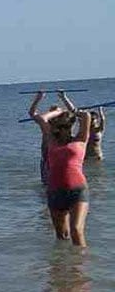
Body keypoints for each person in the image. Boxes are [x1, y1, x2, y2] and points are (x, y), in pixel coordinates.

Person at [32, 105, 92, 246]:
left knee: (76, 231)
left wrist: (75, 112)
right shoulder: (52, 141)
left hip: (77, 190)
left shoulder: (80, 139)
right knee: (61, 236)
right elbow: (41, 118)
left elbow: (86, 116)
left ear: (70, 125)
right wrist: (56, 112)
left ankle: (79, 267)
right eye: (60, 126)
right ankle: (60, 267)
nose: (63, 129)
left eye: (66, 125)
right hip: (55, 192)